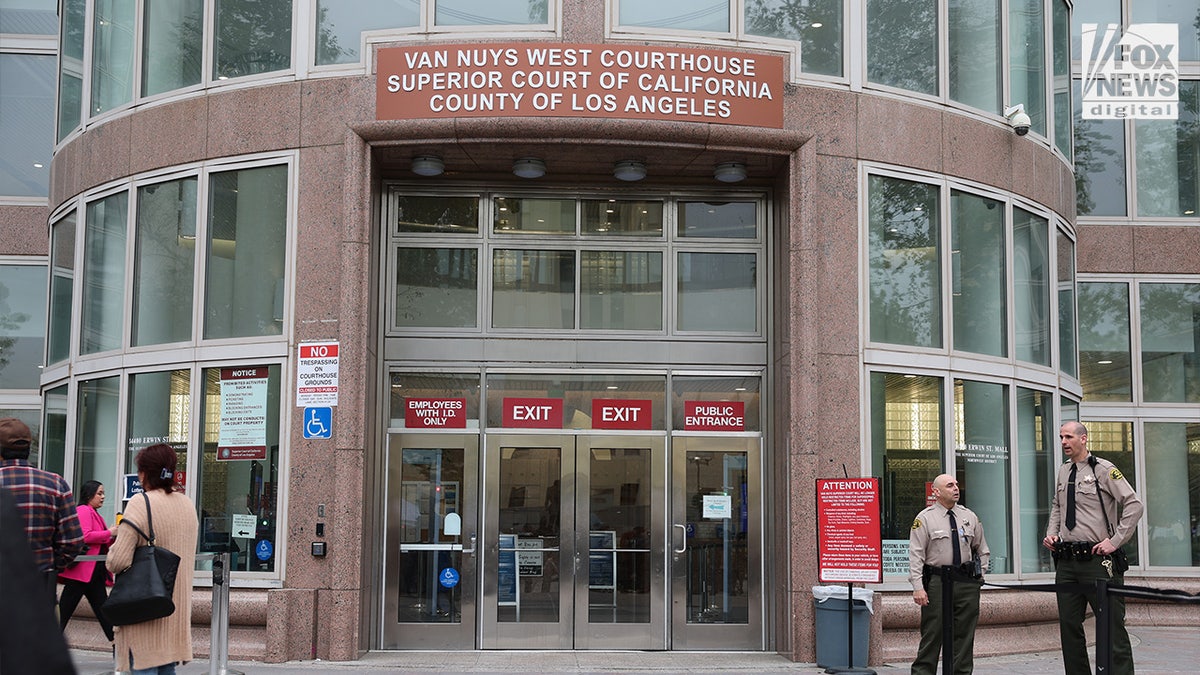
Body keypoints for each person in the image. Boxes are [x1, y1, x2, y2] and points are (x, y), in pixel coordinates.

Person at [1042, 421, 1143, 675]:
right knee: (1069, 627)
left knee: (1111, 627)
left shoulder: (1104, 469)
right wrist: (1051, 534)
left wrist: (1115, 541)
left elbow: (1134, 505)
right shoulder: (1064, 471)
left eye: (1068, 437)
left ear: (1083, 439)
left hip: (1099, 562)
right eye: (1061, 437)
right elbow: (1057, 505)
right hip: (1067, 562)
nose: (1064, 442)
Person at [107, 443, 198, 675]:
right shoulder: (187, 505)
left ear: (144, 473)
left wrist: (114, 544)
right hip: (173, 614)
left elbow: (118, 562)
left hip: (145, 614)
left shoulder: (141, 502)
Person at [908, 473, 989, 675]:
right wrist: (918, 588)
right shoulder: (924, 518)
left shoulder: (969, 516)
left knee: (964, 634)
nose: (955, 488)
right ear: (936, 492)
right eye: (949, 485)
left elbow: (982, 549)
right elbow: (916, 555)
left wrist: (978, 577)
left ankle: (961, 672)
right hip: (937, 582)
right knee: (932, 633)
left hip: (966, 581)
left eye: (956, 484)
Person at [0, 417, 85, 604]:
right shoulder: (55, 484)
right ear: (28, 450)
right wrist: (50, 564)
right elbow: (73, 542)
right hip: (39, 589)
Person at [59, 480, 119, 642]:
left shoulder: (93, 512)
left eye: (103, 493)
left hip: (93, 572)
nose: (103, 497)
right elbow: (85, 536)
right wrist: (109, 533)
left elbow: (100, 541)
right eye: (99, 493)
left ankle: (117, 645)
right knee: (65, 611)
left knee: (103, 611)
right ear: (89, 494)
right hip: (82, 572)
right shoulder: (84, 510)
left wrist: (112, 536)